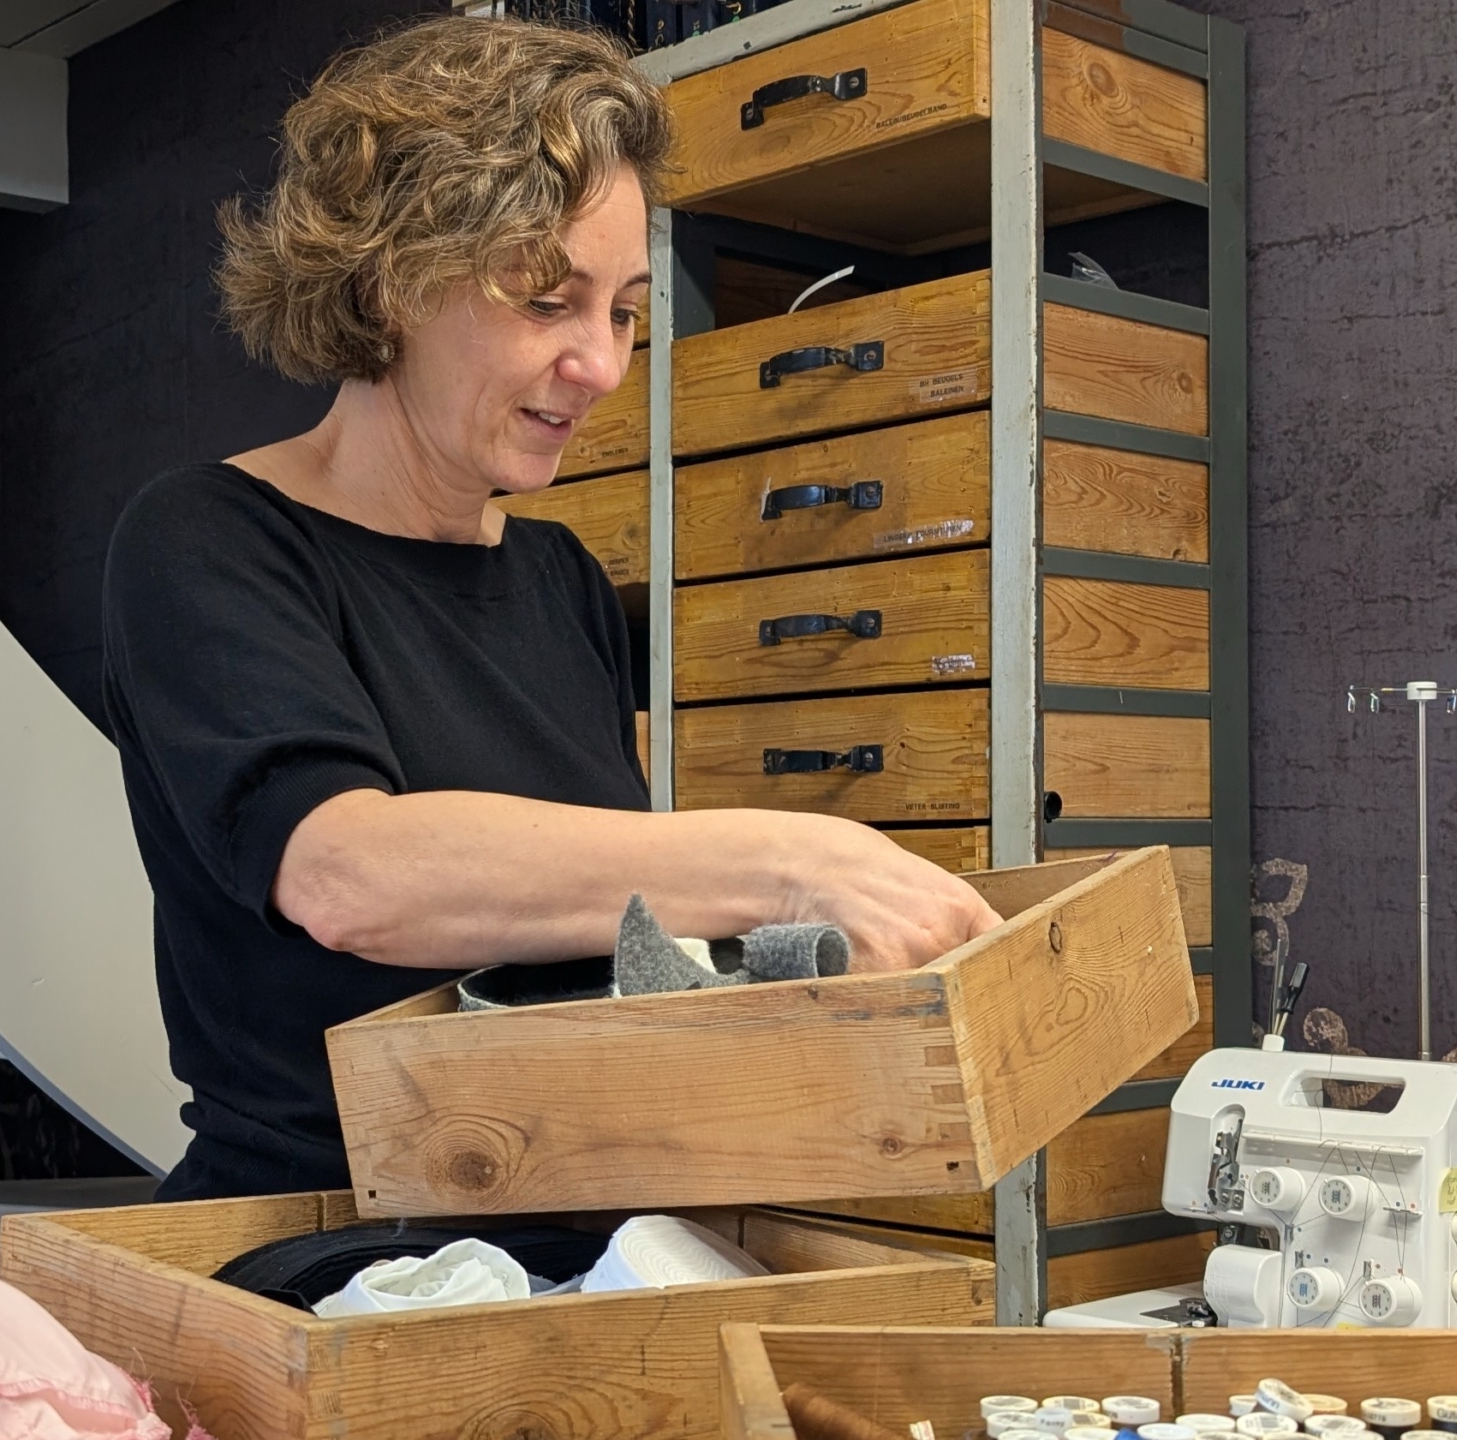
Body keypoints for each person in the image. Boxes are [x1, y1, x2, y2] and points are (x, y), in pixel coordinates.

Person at [101, 17, 1003, 1201]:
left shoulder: (560, 578)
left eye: (624, 311)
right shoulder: (208, 540)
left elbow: (585, 937)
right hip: (333, 1238)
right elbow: (347, 875)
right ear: (388, 283)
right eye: (546, 301)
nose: (604, 365)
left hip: (576, 1220)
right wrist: (787, 858)